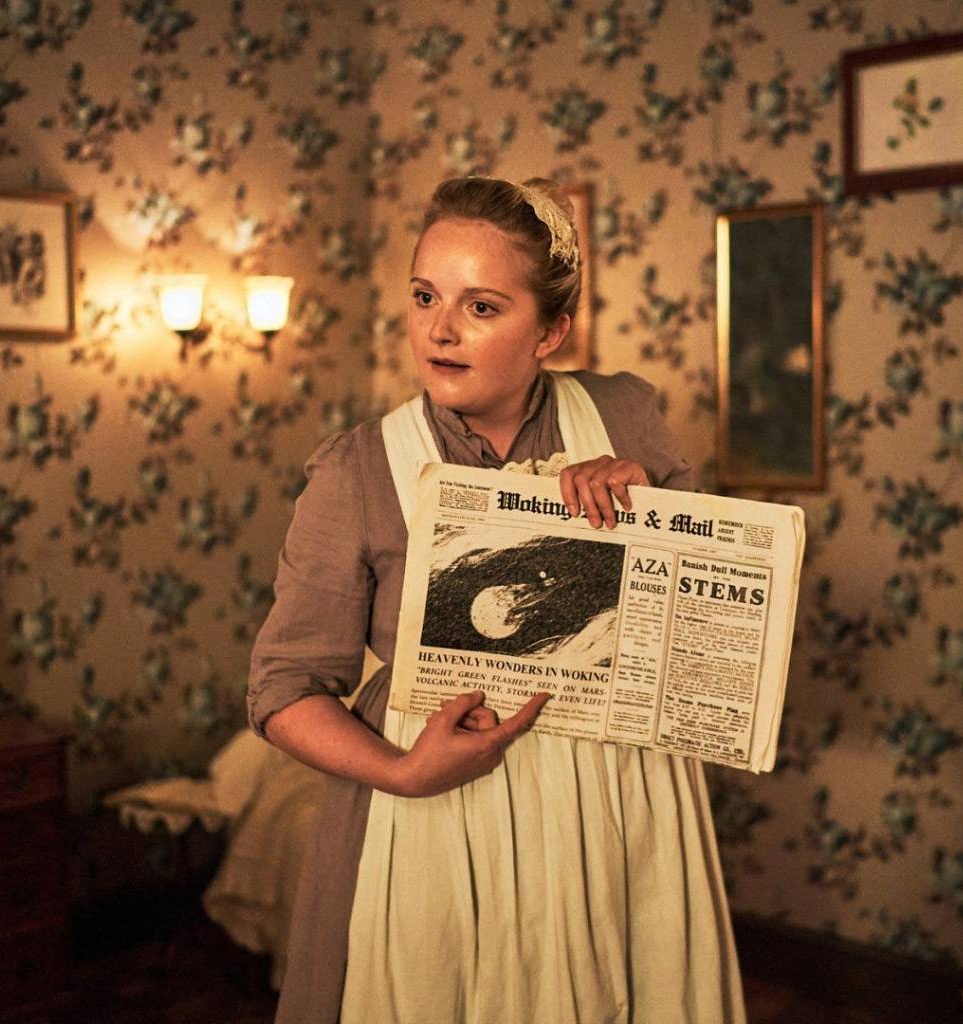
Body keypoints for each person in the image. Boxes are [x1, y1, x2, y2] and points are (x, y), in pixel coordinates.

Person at [247, 175, 746, 1024]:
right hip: (439, 812)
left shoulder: (624, 416)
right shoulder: (358, 470)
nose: (439, 329)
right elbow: (283, 689)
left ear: (550, 330)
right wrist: (403, 772)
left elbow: (710, 616)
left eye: (482, 307)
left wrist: (650, 505)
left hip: (621, 806)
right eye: (425, 296)